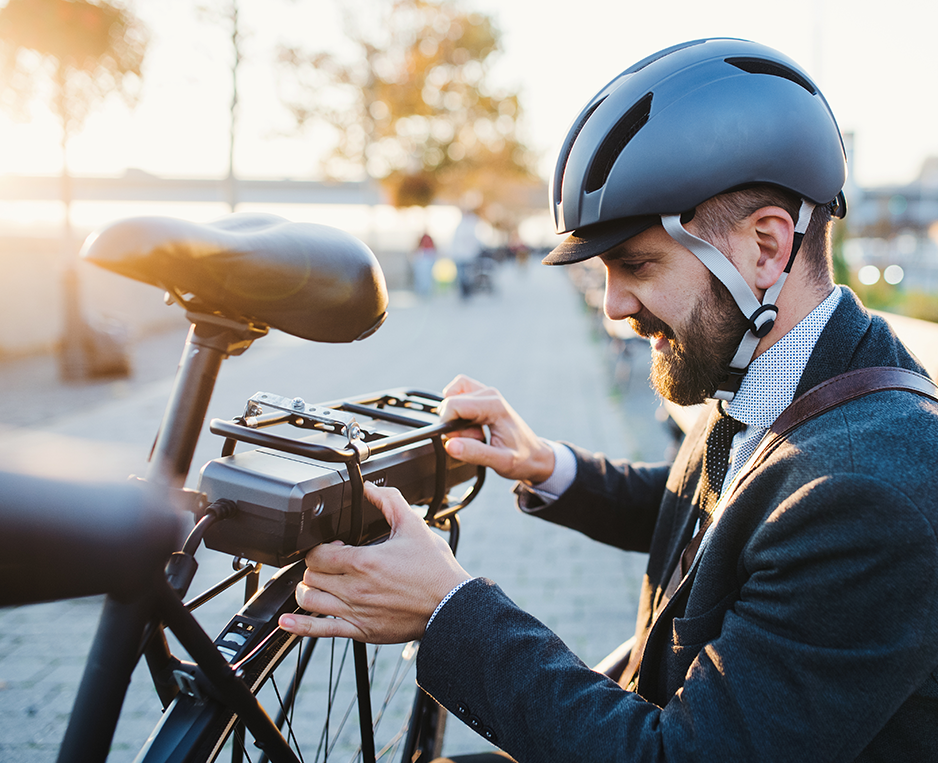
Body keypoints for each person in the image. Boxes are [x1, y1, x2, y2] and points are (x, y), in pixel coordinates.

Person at [279, 38, 938, 761]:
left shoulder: (869, 491)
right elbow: (724, 516)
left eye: (637, 265)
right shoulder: (798, 374)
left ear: (766, 248)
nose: (613, 307)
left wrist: (447, 608)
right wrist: (547, 464)